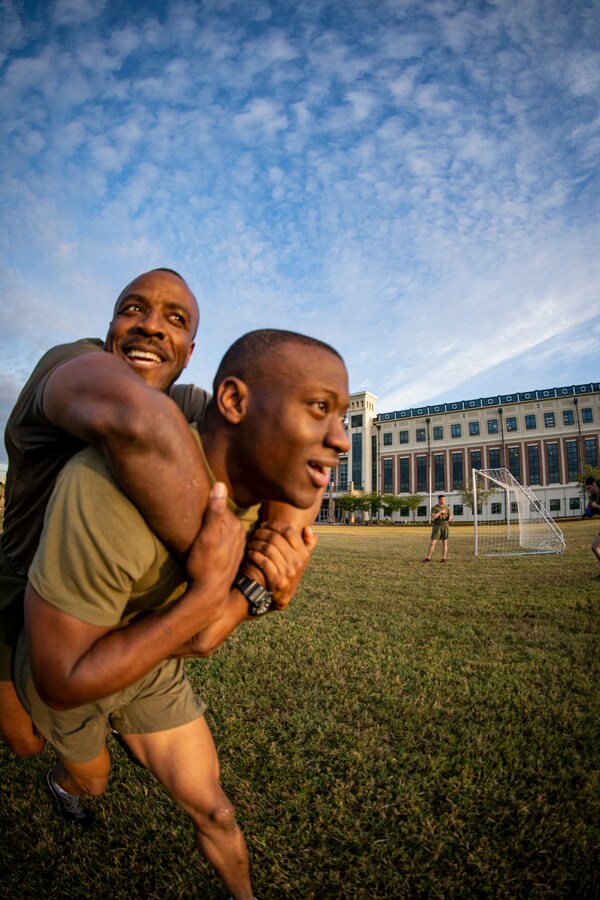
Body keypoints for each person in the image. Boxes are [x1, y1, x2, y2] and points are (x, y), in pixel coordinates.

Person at [16, 329, 349, 900]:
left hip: (152, 666)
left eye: (340, 415)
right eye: (320, 408)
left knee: (216, 811)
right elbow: (61, 680)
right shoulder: (100, 487)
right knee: (92, 782)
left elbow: (299, 498)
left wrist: (257, 588)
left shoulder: (262, 475)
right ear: (234, 402)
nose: (341, 438)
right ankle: (65, 782)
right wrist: (206, 603)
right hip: (71, 663)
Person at [0, 269, 317, 758]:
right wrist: (227, 589)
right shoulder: (68, 364)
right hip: (20, 587)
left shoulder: (187, 401)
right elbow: (137, 421)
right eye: (133, 309)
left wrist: (276, 549)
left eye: (175, 319)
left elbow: (291, 450)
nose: (150, 325)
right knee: (28, 744)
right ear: (110, 328)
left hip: (123, 603)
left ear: (189, 352)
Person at [423, 494, 453, 563]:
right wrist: (440, 512)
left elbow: (451, 515)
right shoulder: (435, 508)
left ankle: (444, 559)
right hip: (437, 526)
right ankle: (428, 557)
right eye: (442, 499)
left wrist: (450, 518)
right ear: (439, 499)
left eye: (444, 499)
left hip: (445, 526)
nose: (444, 501)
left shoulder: (447, 507)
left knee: (445, 542)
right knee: (433, 542)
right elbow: (433, 516)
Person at [584, 476, 600, 572]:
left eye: (589, 488)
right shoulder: (594, 496)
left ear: (594, 484)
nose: (588, 490)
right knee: (594, 547)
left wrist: (596, 506)